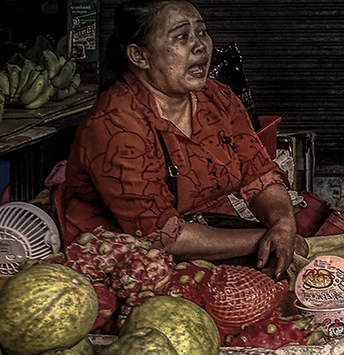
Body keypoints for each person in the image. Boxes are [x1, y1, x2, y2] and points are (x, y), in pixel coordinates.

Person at [55, 1, 311, 278]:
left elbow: (258, 175)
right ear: (139, 56)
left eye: (202, 32)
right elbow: (160, 235)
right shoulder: (114, 124)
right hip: (125, 262)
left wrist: (283, 225)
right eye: (181, 37)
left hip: (210, 235)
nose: (200, 46)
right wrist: (265, 238)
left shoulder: (219, 99)